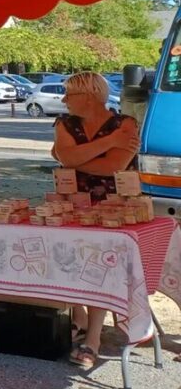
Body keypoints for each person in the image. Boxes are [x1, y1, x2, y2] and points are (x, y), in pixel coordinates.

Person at [51, 70, 140, 368]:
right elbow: (68, 159)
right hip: (69, 204)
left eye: (69, 94)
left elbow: (114, 166)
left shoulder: (126, 123)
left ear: (88, 97)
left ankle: (94, 338)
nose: (64, 100)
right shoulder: (65, 123)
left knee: (99, 267)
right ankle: (78, 317)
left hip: (112, 209)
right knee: (68, 259)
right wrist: (109, 142)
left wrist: (75, 156)